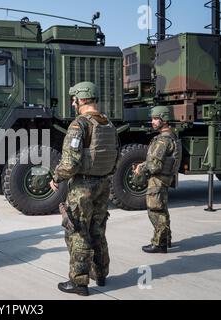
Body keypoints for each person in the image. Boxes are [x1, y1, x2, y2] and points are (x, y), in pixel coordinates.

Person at [50, 81, 119, 296]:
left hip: (83, 187)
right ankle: (101, 273)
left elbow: (70, 162)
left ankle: (79, 282)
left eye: (74, 99)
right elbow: (115, 155)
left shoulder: (79, 124)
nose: (73, 103)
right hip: (103, 183)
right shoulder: (108, 123)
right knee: (98, 230)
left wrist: (57, 177)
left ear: (81, 98)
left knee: (78, 231)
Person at [134, 105, 182, 254]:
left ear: (164, 120)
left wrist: (140, 169)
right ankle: (166, 239)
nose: (153, 122)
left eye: (155, 119)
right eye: (152, 119)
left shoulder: (163, 140)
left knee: (155, 211)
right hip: (164, 179)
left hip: (158, 180)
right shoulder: (171, 136)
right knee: (162, 209)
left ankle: (159, 243)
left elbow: (154, 165)